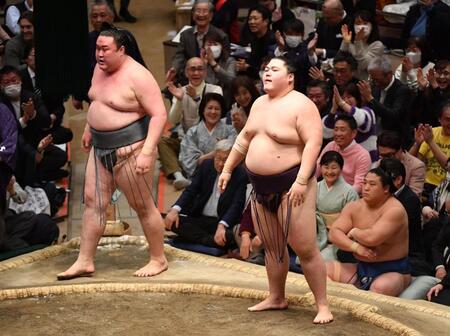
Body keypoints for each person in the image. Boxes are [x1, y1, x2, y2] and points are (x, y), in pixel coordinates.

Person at [218, 56, 333, 324]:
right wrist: (227, 169)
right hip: (260, 188)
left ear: (290, 77)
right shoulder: (258, 104)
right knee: (272, 247)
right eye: (265, 68)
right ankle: (276, 296)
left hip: (291, 186)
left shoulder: (301, 105)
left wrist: (302, 180)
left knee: (305, 248)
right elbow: (244, 138)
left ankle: (323, 305)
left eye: (274, 69)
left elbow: (313, 144)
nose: (267, 72)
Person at [57, 28, 168, 280]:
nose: (99, 53)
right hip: (100, 148)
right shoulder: (99, 68)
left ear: (121, 50)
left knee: (142, 206)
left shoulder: (138, 75)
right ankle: (85, 261)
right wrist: (89, 127)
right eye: (97, 48)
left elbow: (159, 114)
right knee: (92, 203)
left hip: (130, 150)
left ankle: (158, 259)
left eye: (105, 49)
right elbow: (98, 101)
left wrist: (148, 152)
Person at [327, 168, 411, 296]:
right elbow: (334, 233)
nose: (366, 188)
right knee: (323, 270)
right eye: (364, 183)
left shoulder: (395, 210)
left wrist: (354, 232)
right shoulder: (355, 206)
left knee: (380, 287)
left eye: (372, 184)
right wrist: (356, 247)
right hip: (362, 268)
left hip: (393, 271)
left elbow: (372, 238)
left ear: (386, 188)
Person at [165, 139, 247, 248]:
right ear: (214, 156)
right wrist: (175, 209)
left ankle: (197, 239)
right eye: (217, 158)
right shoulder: (206, 166)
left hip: (221, 221)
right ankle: (209, 240)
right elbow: (191, 190)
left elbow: (237, 205)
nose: (220, 163)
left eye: (225, 160)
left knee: (230, 235)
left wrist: (222, 225)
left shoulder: (240, 175)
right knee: (174, 222)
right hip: (200, 218)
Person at [167, 0, 229, 84]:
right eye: (198, 11)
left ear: (211, 16)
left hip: (212, 80)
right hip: (190, 78)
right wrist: (175, 68)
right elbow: (179, 55)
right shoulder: (185, 35)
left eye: (205, 11)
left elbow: (224, 63)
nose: (201, 14)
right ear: (193, 15)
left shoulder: (221, 36)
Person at [179, 93, 236, 178]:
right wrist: (218, 151)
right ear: (203, 110)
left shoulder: (231, 130)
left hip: (225, 177)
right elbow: (189, 160)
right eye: (209, 108)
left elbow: (233, 154)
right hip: (200, 178)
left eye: (217, 109)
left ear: (221, 112)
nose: (213, 112)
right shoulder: (192, 132)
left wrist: (203, 158)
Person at [359, 55, 413, 143]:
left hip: (394, 140)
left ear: (388, 75)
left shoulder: (402, 90)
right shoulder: (375, 87)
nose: (374, 83)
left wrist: (370, 98)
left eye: (376, 79)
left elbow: (393, 115)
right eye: (372, 79)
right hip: (374, 136)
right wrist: (364, 102)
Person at [317, 114, 372, 194]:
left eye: (342, 130)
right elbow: (317, 168)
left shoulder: (363, 155)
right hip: (326, 190)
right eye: (336, 129)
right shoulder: (331, 145)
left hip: (348, 196)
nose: (338, 134)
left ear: (353, 133)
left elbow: (359, 186)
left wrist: (341, 197)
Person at [323, 83, 377, 162]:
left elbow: (360, 119)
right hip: (345, 163)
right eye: (342, 98)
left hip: (368, 162)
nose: (345, 100)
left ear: (357, 98)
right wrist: (334, 108)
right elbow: (326, 132)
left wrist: (342, 103)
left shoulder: (368, 112)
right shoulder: (339, 115)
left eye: (349, 97)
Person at [377, 130, 425, 196]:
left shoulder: (417, 166)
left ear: (400, 149)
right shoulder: (380, 163)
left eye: (389, 155)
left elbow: (413, 197)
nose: (385, 159)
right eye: (382, 155)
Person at [339, 10, 384, 80]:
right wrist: (345, 42)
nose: (361, 27)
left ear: (372, 26)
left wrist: (358, 42)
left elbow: (362, 66)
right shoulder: (349, 39)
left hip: (363, 81)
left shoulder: (377, 45)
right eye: (358, 23)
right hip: (346, 79)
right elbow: (339, 59)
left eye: (365, 23)